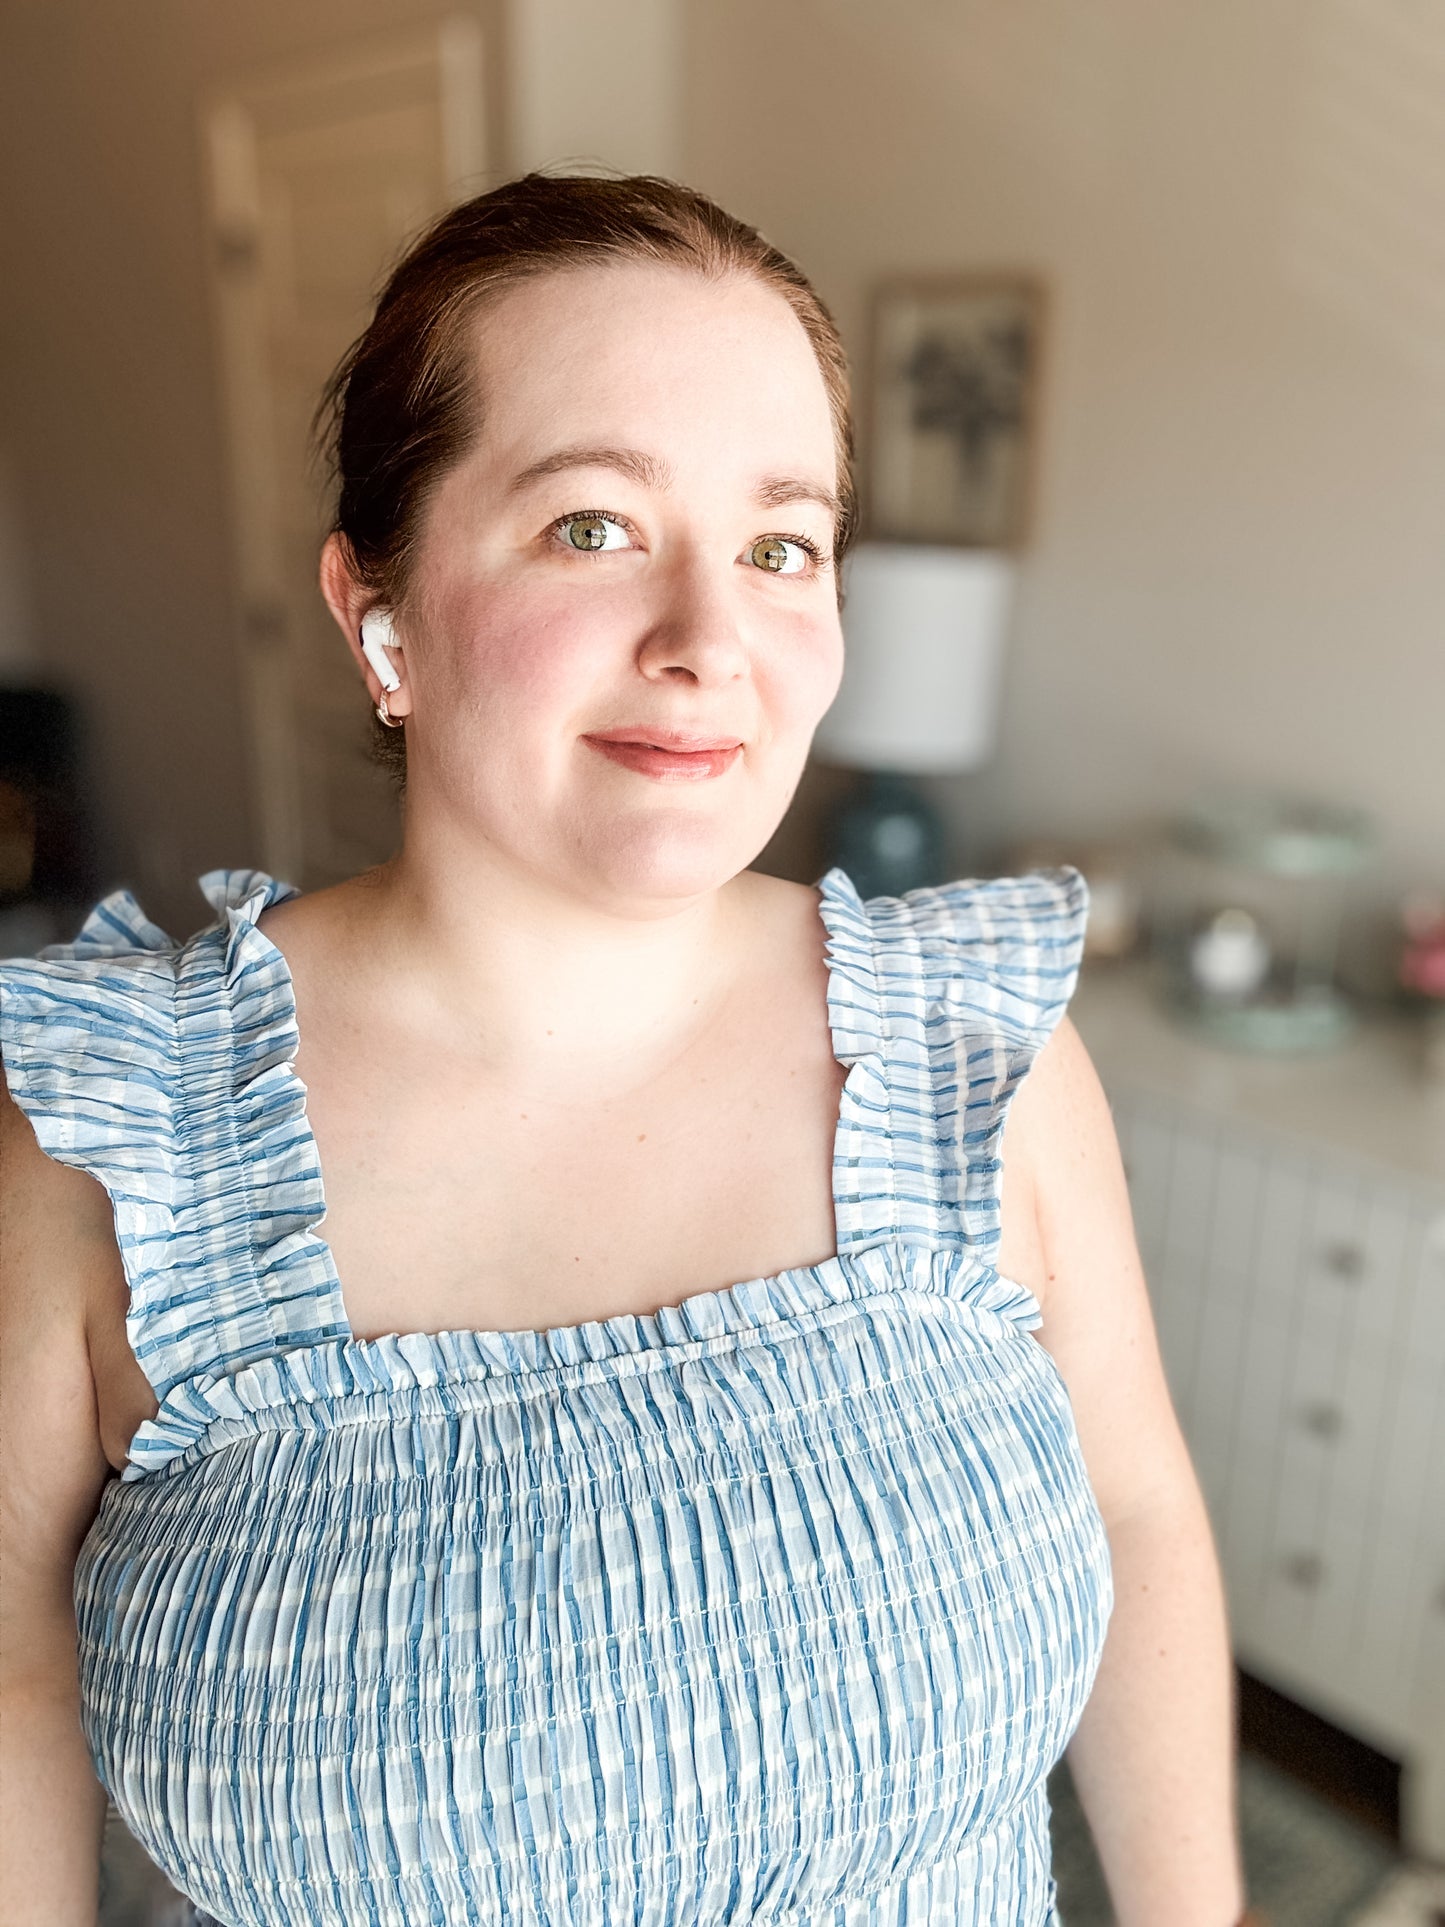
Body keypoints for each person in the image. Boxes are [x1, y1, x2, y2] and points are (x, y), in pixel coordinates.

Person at [0, 171, 1247, 1926]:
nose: (708, 643)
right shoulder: (102, 1132)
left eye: (779, 544)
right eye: (592, 526)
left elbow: (1134, 1511)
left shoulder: (977, 1053)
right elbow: (12, 1687)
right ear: (380, 611)